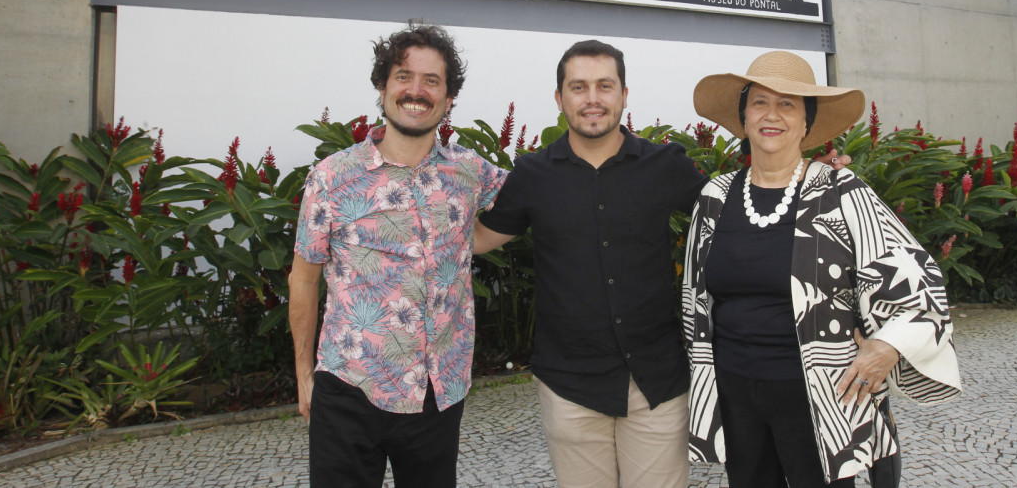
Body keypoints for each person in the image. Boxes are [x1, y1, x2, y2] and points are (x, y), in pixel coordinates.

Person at [682, 50, 961, 488]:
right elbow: (694, 297)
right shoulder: (716, 196)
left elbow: (919, 279)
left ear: (807, 123)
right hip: (734, 390)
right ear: (743, 117)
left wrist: (889, 346)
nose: (771, 115)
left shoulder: (840, 190)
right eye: (759, 102)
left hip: (822, 394)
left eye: (788, 104)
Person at [474, 39, 706, 488]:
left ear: (623, 94)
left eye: (605, 85)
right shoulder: (533, 174)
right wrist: (403, 209)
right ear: (560, 98)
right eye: (579, 87)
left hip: (655, 381)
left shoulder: (664, 165)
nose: (593, 98)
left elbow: (736, 215)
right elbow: (482, 238)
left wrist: (817, 183)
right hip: (570, 386)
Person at [288, 24, 507, 488]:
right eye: (404, 76)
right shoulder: (332, 178)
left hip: (436, 392)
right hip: (349, 386)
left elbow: (536, 200)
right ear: (382, 88)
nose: (416, 90)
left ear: (449, 99)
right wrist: (305, 376)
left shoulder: (469, 172)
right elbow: (304, 278)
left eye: (432, 81)